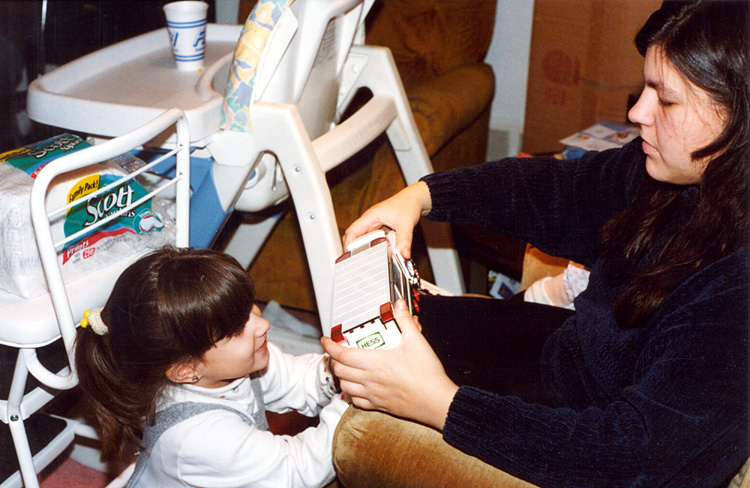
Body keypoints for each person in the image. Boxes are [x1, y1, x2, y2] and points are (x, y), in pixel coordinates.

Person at [322, 1, 749, 487]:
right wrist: (421, 198)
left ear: (739, 118)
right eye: (645, 87)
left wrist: (439, 403)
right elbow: (561, 190)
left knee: (366, 414)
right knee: (375, 341)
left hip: (595, 445)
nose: (637, 112)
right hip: (569, 361)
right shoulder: (677, 173)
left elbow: (631, 457)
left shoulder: (737, 291)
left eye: (665, 100)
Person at [75, 247, 347, 488]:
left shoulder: (232, 363)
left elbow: (300, 380)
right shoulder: (199, 436)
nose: (262, 325)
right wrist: (354, 395)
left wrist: (339, 370)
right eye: (237, 329)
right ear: (185, 370)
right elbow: (297, 471)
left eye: (248, 308)